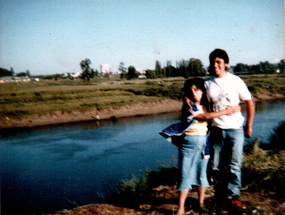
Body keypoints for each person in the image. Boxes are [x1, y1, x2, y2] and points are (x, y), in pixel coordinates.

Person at [185, 49, 255, 208]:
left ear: (225, 64)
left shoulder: (236, 81)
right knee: (215, 165)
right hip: (215, 130)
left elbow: (249, 102)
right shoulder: (206, 82)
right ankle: (219, 196)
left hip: (235, 130)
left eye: (218, 62)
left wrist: (248, 126)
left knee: (234, 164)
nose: (215, 65)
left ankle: (232, 197)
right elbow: (190, 92)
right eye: (212, 62)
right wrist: (186, 99)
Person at [172, 78, 240, 214]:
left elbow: (216, 106)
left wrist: (235, 108)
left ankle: (201, 203)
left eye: (196, 90)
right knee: (185, 174)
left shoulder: (206, 104)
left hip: (204, 143)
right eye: (190, 91)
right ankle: (180, 208)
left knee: (202, 173)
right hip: (188, 143)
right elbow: (204, 117)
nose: (193, 93)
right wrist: (227, 111)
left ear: (203, 91)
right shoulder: (188, 105)